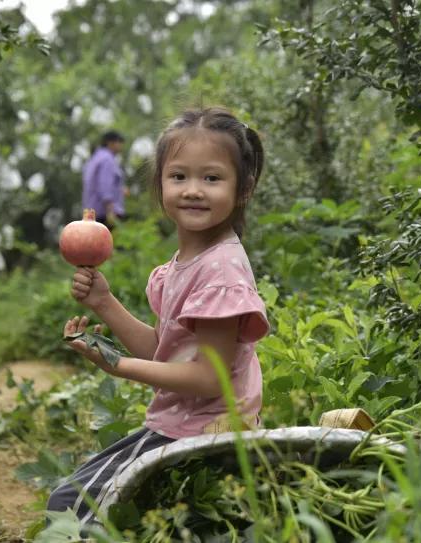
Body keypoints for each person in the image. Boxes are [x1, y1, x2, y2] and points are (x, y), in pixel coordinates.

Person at [49, 107, 269, 527]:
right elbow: (167, 352)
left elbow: (209, 379)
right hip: (185, 424)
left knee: (72, 508)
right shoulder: (190, 261)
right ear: (160, 185)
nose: (193, 190)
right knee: (75, 498)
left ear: (243, 189)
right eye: (179, 176)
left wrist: (118, 366)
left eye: (212, 178)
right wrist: (104, 302)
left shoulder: (219, 270)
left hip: (205, 436)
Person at [82, 130, 126, 229]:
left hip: (91, 213)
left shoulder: (95, 158)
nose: (121, 146)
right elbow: (105, 186)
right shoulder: (107, 159)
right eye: (119, 142)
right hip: (104, 214)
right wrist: (110, 211)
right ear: (110, 143)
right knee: (110, 243)